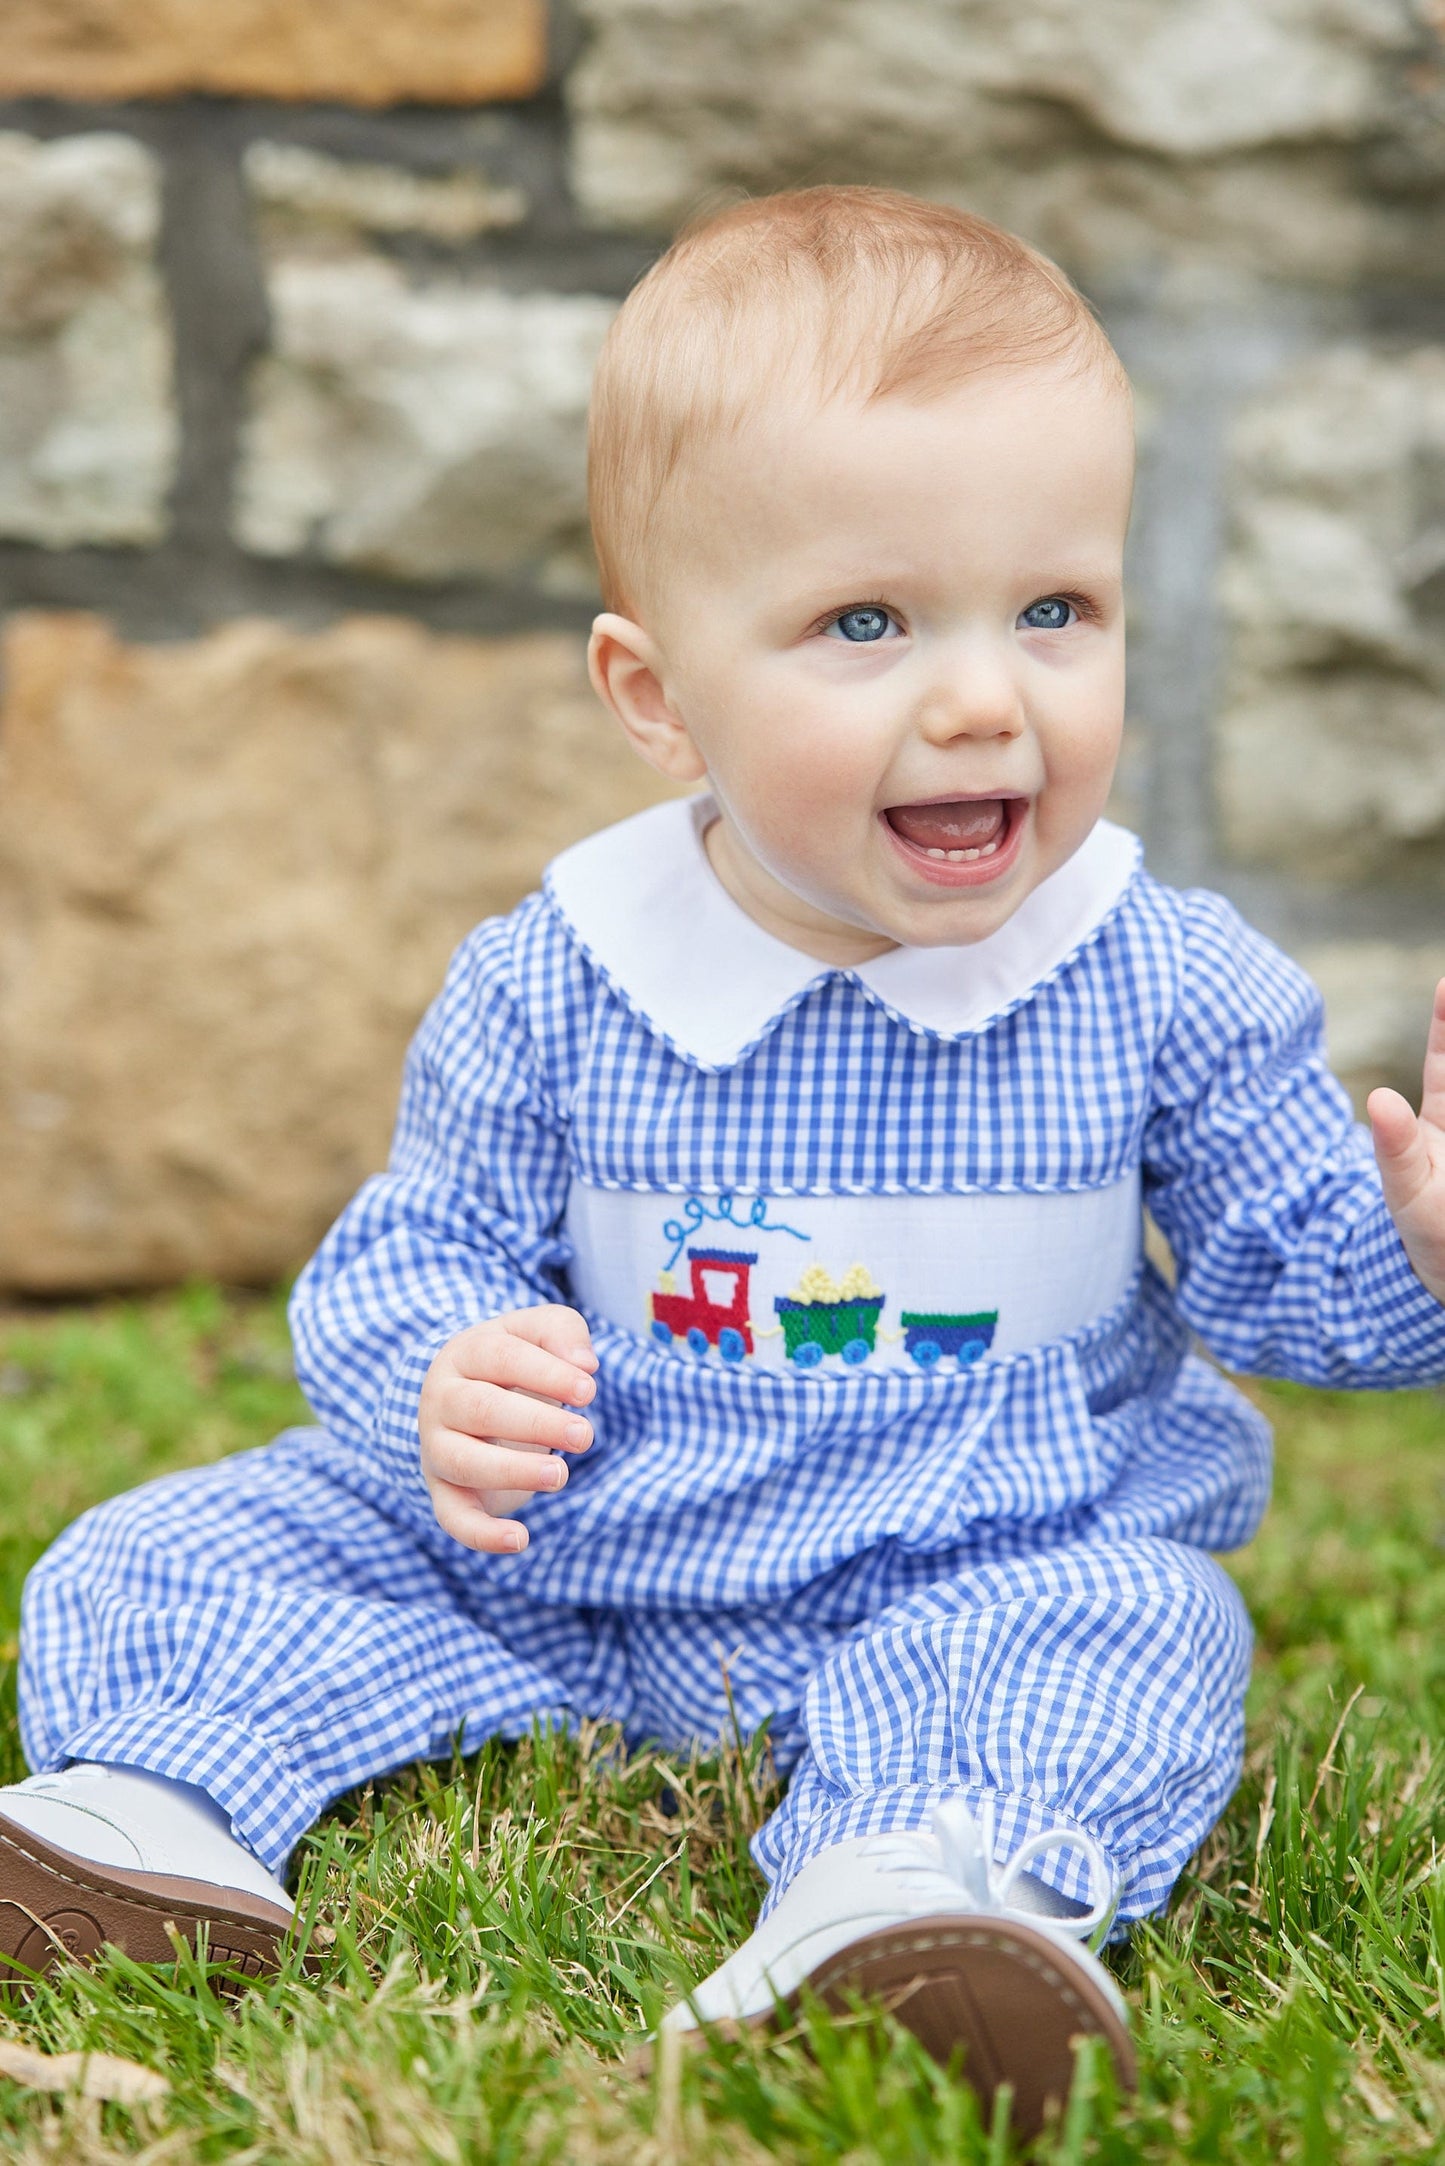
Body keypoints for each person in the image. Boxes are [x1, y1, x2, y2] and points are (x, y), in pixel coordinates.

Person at [3, 187, 1443, 2133]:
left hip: (974, 1563)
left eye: (1055, 611)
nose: (979, 696)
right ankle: (154, 1812)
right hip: (570, 1561)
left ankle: (919, 1887)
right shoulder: (560, 981)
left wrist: (1420, 1250)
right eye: (868, 622)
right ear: (657, 697)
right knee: (191, 1542)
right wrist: (442, 1368)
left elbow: (1295, 1272)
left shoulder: (1155, 979)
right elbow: (416, 1249)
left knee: (1139, 1622)